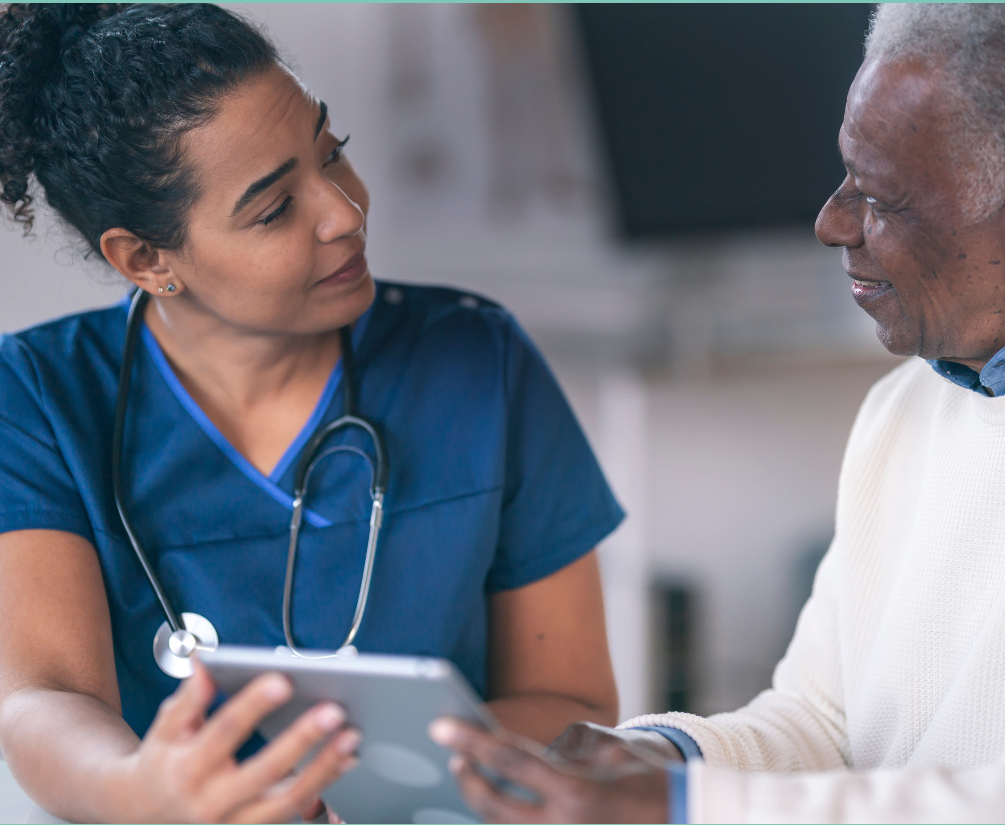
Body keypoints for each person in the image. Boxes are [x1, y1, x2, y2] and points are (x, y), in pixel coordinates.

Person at [431, 4, 1005, 822]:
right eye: (846, 175)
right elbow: (821, 719)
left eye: (881, 199)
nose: (832, 222)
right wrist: (657, 756)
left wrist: (683, 806)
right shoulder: (904, 409)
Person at [0, 5, 623, 822]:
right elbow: (40, 698)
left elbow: (569, 697)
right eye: (273, 209)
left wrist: (370, 784)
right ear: (145, 258)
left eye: (333, 155)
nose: (344, 213)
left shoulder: (478, 360)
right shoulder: (39, 395)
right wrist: (139, 792)